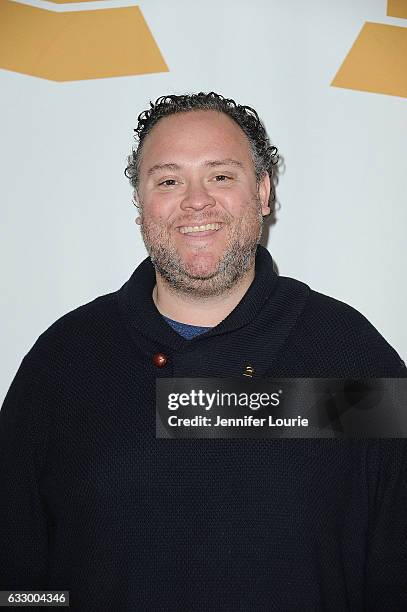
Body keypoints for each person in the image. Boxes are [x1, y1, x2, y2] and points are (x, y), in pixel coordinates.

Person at [0, 92, 406, 611]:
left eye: (220, 175)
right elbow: (19, 578)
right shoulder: (63, 363)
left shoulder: (351, 356)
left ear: (263, 192)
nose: (196, 201)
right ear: (140, 206)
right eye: (168, 181)